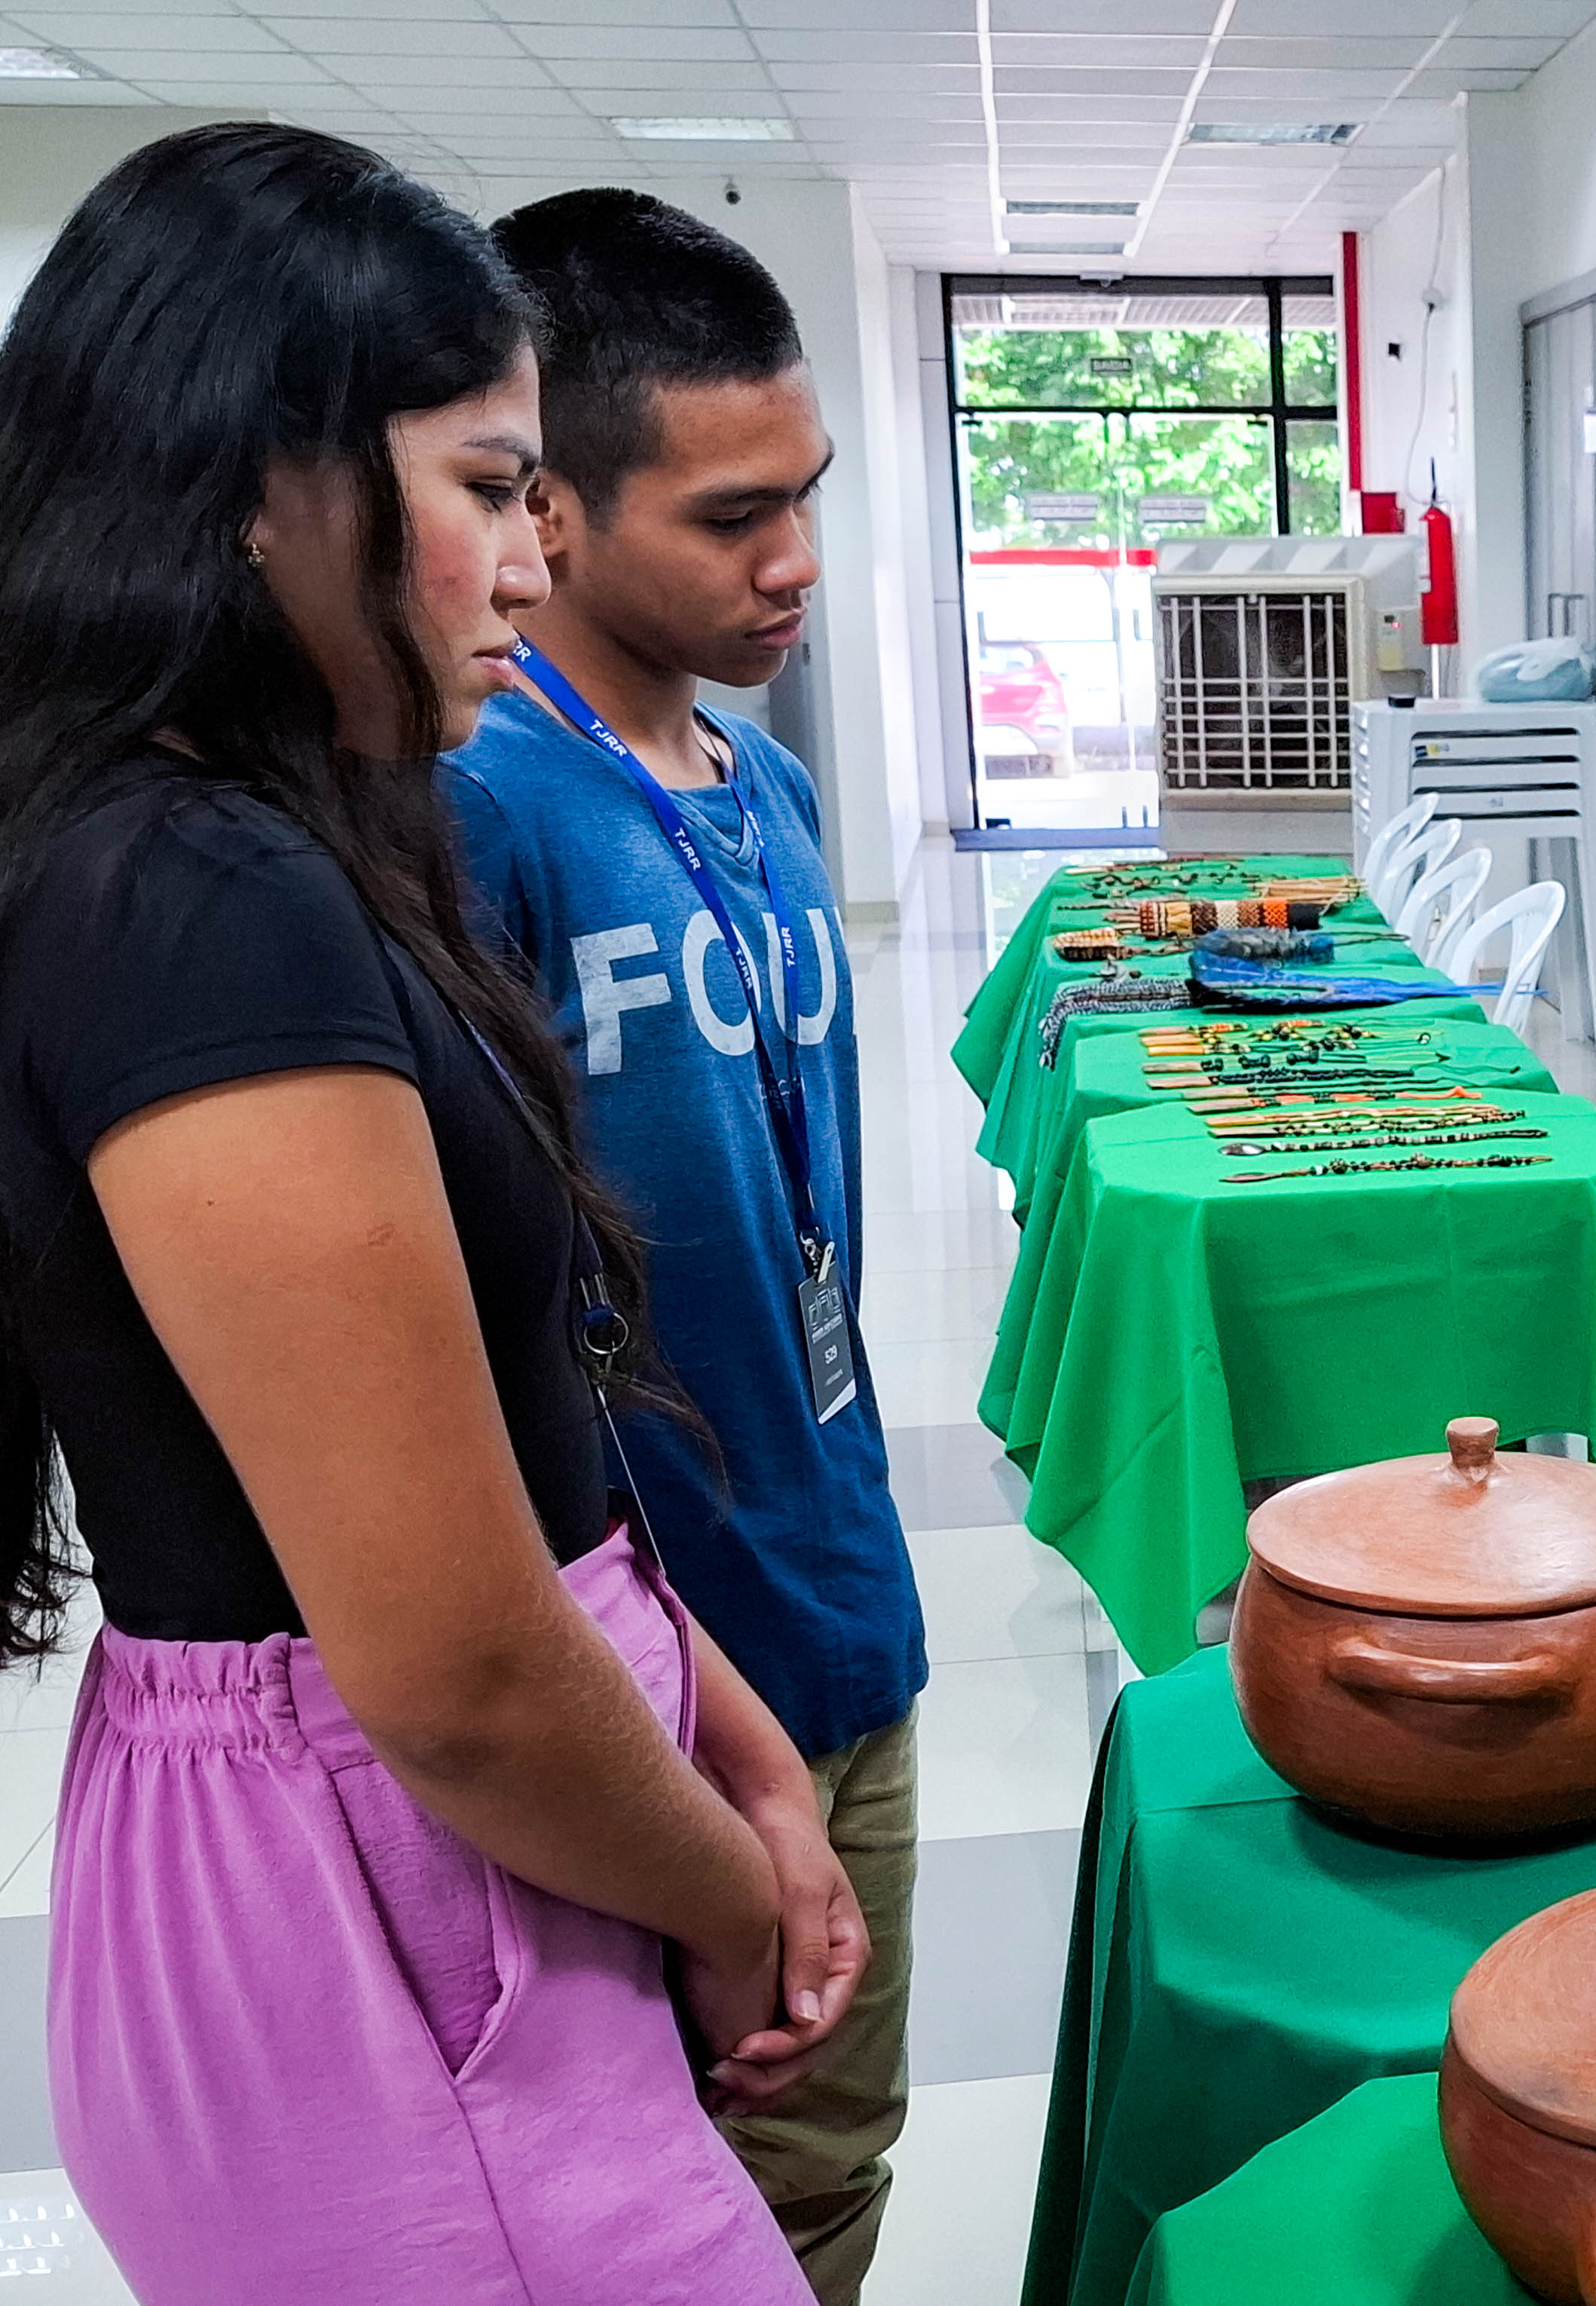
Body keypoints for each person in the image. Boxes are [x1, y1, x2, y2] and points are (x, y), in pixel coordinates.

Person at [0, 126, 867, 2303]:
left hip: (480, 1827)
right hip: (392, 1888)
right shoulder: (194, 900)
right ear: (260, 479)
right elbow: (458, 1665)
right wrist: (734, 1897)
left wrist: (725, 1728)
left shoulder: (295, 837)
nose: (522, 560)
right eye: (489, 486)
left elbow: (521, 1425)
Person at [442, 188, 925, 2300]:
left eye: (808, 497)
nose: (796, 563)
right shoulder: (473, 818)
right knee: (654, 2215)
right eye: (734, 518)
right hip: (624, 1677)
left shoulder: (768, 788)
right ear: (547, 501)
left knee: (829, 2161)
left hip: (833, 1587)